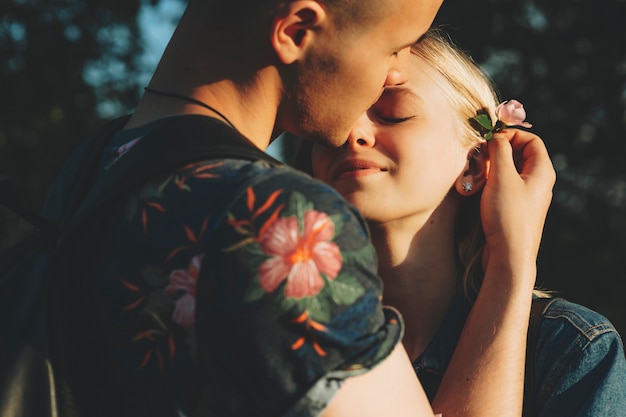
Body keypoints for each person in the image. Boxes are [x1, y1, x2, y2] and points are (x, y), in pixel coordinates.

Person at [37, 1, 557, 416]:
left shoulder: (85, 172)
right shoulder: (280, 223)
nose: (389, 72)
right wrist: (511, 265)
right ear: (295, 30)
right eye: (392, 46)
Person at [298, 28, 626, 416]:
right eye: (333, 120)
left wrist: (513, 257)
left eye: (394, 114)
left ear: (473, 163)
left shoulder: (567, 350)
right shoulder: (281, 336)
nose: (353, 133)